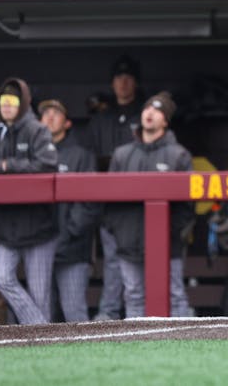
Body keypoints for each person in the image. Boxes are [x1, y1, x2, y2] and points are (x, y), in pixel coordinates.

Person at [0, 78, 58, 325]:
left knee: (40, 295)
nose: (7, 105)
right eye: (3, 101)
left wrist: (10, 165)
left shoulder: (37, 130)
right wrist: (2, 166)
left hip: (39, 228)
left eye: (13, 101)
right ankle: (40, 328)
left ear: (23, 103)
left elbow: (47, 164)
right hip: (4, 228)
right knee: (2, 279)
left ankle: (43, 340)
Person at [102, 92, 195, 318]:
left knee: (175, 297)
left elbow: (188, 206)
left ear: (166, 121)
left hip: (168, 244)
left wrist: (171, 231)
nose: (150, 113)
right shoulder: (122, 154)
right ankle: (138, 343)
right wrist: (119, 230)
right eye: (147, 109)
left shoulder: (179, 155)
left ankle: (183, 343)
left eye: (157, 110)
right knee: (133, 296)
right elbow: (108, 200)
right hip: (129, 242)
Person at [87, 54, 144, 321]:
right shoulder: (101, 119)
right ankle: (109, 312)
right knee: (112, 259)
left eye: (128, 78)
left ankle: (143, 315)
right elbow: (90, 161)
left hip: (140, 203)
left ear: (135, 82)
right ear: (112, 83)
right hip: (110, 204)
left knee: (142, 258)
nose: (123, 83)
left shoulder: (144, 116)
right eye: (119, 78)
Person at [39, 99, 100, 323]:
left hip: (72, 250)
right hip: (38, 249)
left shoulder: (81, 155)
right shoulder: (33, 156)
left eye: (56, 113)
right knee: (41, 316)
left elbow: (90, 203)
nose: (50, 117)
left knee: (74, 314)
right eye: (45, 113)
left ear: (67, 123)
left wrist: (69, 234)